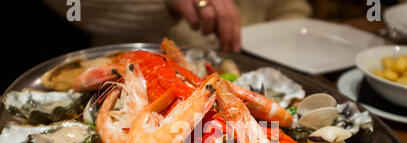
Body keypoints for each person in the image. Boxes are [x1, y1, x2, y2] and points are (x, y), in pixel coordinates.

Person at [44, 0, 311, 52]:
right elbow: (73, 7)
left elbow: (290, 7)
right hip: (132, 62)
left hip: (250, 66)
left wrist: (287, 38)